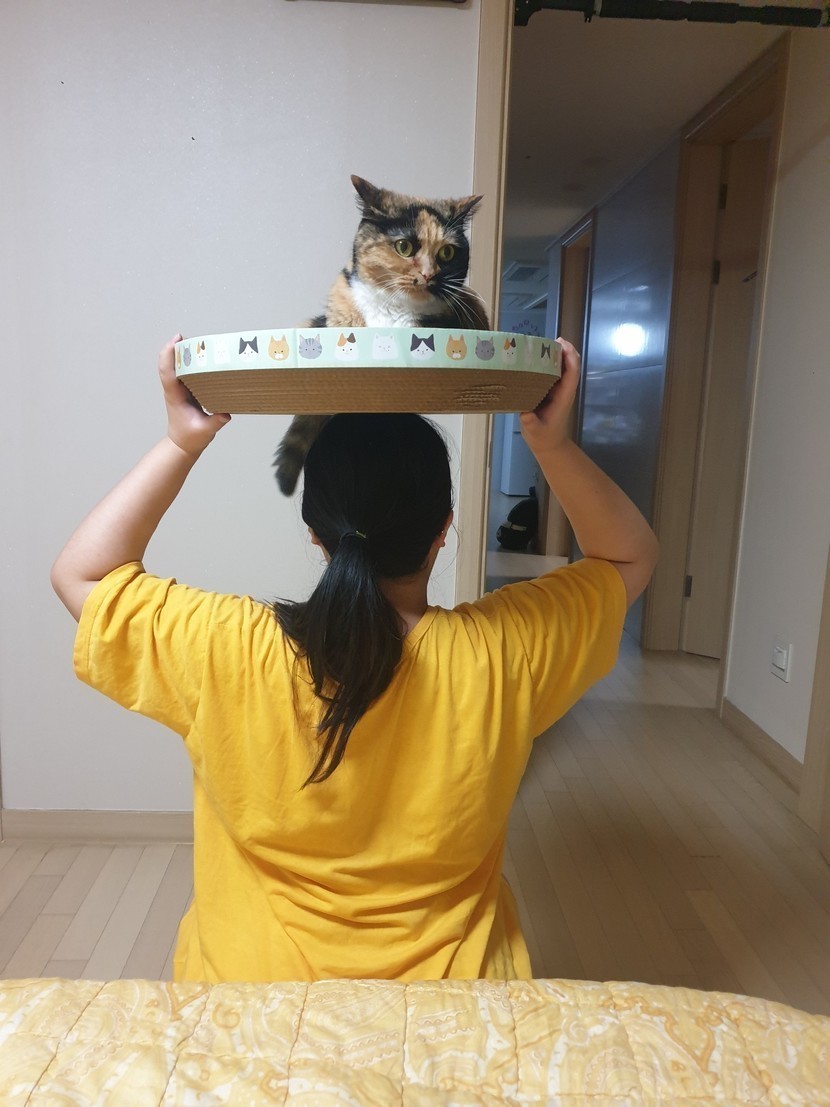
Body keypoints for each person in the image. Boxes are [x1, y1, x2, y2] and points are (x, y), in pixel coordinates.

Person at [51, 335, 658, 983]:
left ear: (316, 532)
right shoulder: (506, 653)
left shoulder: (228, 650)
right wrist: (551, 444)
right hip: (456, 1013)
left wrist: (182, 442)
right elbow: (628, 557)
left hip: (252, 1003)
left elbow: (80, 574)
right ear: (444, 527)